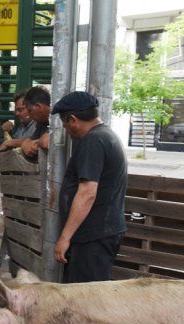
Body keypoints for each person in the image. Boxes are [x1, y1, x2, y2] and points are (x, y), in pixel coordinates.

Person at [52, 92, 127, 283]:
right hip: (100, 232)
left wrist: (65, 237)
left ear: (73, 119)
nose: (66, 129)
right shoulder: (106, 135)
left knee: (86, 300)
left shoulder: (93, 141)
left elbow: (87, 193)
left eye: (64, 123)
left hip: (94, 236)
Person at [0, 91, 37, 155]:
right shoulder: (22, 126)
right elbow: (15, 146)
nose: (17, 113)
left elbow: (35, 141)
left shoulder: (38, 125)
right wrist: (8, 132)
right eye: (16, 110)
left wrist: (10, 142)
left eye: (20, 110)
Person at [18, 86, 52, 160]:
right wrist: (25, 144)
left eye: (30, 111)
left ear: (39, 106)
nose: (29, 115)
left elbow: (46, 142)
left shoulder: (58, 118)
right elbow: (30, 141)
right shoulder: (42, 123)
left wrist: (37, 143)